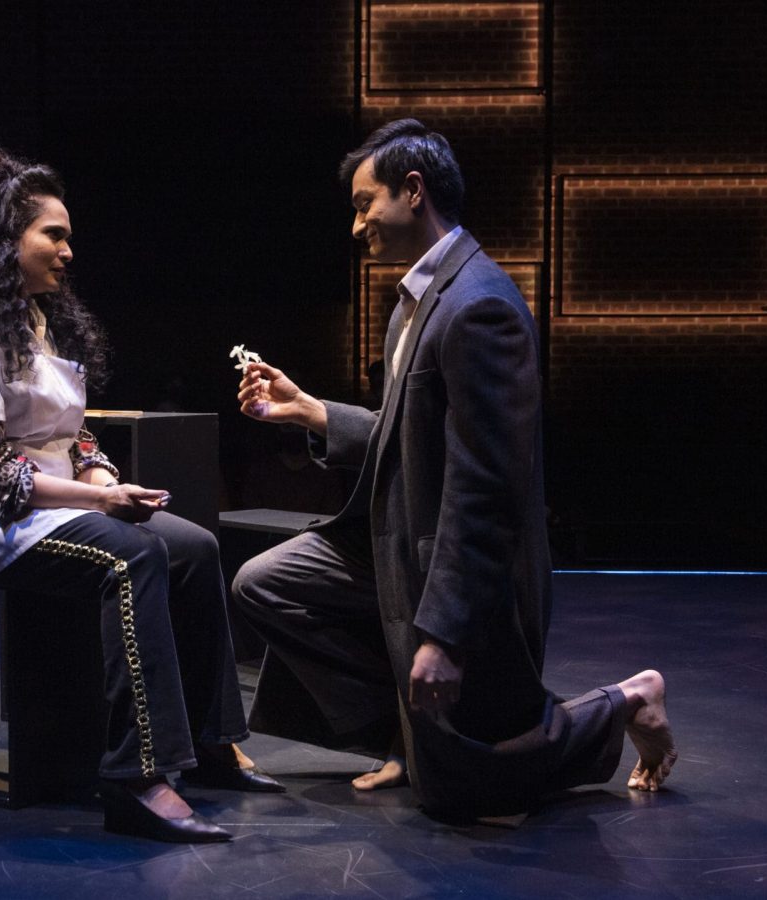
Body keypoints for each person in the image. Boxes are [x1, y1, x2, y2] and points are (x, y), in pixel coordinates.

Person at [232, 120, 677, 819]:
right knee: (267, 583)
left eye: (364, 204)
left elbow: (486, 487)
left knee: (461, 789)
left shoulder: (480, 306)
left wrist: (442, 633)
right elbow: (411, 438)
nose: (356, 226)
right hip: (394, 544)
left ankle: (625, 701)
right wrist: (312, 412)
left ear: (413, 191)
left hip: (458, 566)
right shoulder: (416, 302)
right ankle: (404, 734)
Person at [0, 147, 280, 844]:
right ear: (6, 237)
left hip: (51, 504)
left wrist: (100, 476)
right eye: (54, 235)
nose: (68, 251)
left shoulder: (34, 320)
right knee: (131, 555)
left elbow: (71, 431)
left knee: (193, 547)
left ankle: (212, 740)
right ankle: (136, 776)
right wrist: (99, 502)